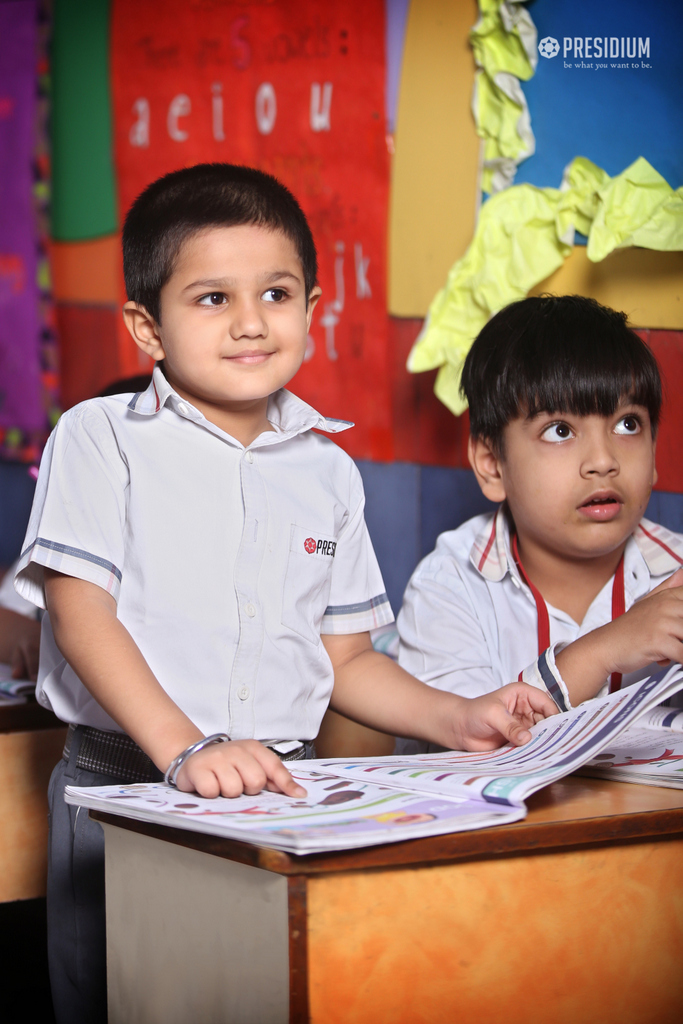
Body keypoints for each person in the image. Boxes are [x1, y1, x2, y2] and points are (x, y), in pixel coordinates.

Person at [13, 164, 555, 1023]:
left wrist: (456, 717)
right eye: (211, 299)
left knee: (252, 999)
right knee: (122, 1001)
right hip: (127, 785)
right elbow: (81, 611)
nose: (250, 322)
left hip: (279, 797)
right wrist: (187, 750)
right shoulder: (101, 436)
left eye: (274, 292)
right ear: (146, 328)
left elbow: (342, 658)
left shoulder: (327, 471)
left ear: (310, 305)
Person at [398, 294, 683, 753]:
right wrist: (607, 648)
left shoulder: (676, 576)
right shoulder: (450, 586)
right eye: (561, 431)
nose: (603, 461)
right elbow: (476, 749)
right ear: (493, 465)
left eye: (629, 425)